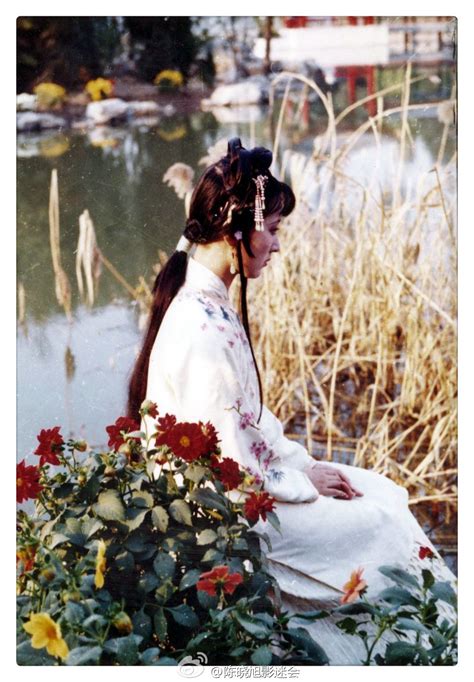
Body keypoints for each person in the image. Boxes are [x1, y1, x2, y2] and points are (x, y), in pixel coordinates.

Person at [127, 137, 457, 664]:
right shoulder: (201, 327)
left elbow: (248, 424)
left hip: (244, 490)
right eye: (274, 230)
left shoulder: (205, 300)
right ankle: (420, 652)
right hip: (226, 520)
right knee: (379, 522)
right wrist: (302, 483)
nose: (277, 245)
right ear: (236, 231)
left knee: (380, 493)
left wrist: (305, 466)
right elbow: (231, 464)